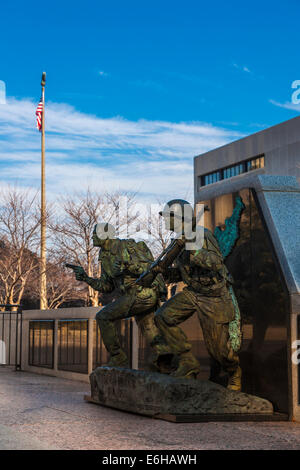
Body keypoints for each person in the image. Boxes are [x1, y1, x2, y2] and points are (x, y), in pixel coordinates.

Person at [137, 200, 242, 391]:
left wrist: (194, 248)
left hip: (213, 295)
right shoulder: (179, 239)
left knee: (218, 350)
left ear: (179, 218)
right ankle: (187, 361)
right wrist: (165, 273)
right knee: (163, 317)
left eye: (168, 217)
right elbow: (184, 272)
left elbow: (216, 263)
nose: (165, 221)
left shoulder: (202, 235)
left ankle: (233, 371)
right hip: (193, 293)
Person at [70, 223, 171, 370]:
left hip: (143, 292)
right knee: (150, 330)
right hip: (132, 295)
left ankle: (118, 357)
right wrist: (86, 278)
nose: (92, 236)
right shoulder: (104, 256)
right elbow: (107, 286)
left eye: (95, 233)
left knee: (103, 317)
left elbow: (150, 268)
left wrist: (128, 267)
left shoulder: (127, 246)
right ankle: (167, 363)